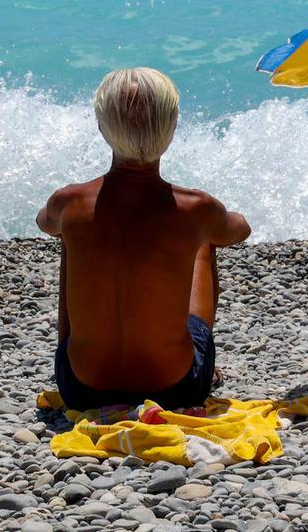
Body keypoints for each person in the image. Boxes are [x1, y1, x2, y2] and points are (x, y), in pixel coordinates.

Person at [36, 68, 251, 410]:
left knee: (69, 233)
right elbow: (239, 230)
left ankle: (78, 348)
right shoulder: (195, 208)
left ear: (101, 126)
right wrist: (211, 219)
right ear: (172, 128)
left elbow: (44, 223)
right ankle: (199, 367)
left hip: (81, 388)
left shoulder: (70, 202)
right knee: (204, 238)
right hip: (177, 387)